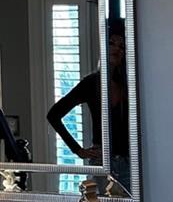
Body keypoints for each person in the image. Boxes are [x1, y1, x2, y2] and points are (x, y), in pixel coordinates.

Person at [47, 19, 129, 187]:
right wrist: (77, 150)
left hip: (131, 160)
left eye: (121, 46)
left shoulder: (129, 85)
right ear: (104, 47)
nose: (116, 49)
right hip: (102, 160)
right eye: (112, 43)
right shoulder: (91, 83)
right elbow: (53, 115)